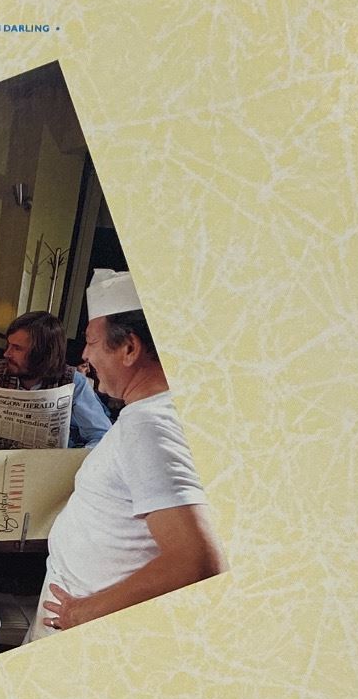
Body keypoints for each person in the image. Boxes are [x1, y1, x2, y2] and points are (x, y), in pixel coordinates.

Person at [37, 270, 225, 634]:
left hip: (88, 624)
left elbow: (197, 561)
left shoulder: (149, 425)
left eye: (91, 342)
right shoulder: (159, 410)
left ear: (129, 348)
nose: (85, 355)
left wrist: (82, 613)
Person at [0, 309, 110, 456]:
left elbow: (101, 436)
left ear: (42, 354)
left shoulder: (75, 383)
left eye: (17, 348)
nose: (6, 353)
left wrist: (72, 460)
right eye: (8, 345)